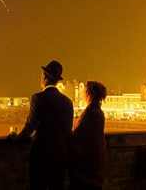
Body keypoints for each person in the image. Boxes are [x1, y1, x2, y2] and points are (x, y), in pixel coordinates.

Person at [11, 60, 74, 190]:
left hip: (41, 156)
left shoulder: (38, 98)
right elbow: (68, 131)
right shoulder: (67, 102)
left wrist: (15, 138)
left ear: (44, 77)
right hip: (60, 156)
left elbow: (30, 125)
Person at [69, 81, 107, 190]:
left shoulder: (91, 112)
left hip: (86, 166)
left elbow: (78, 135)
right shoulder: (98, 112)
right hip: (95, 164)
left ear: (89, 94)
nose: (82, 94)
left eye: (84, 91)